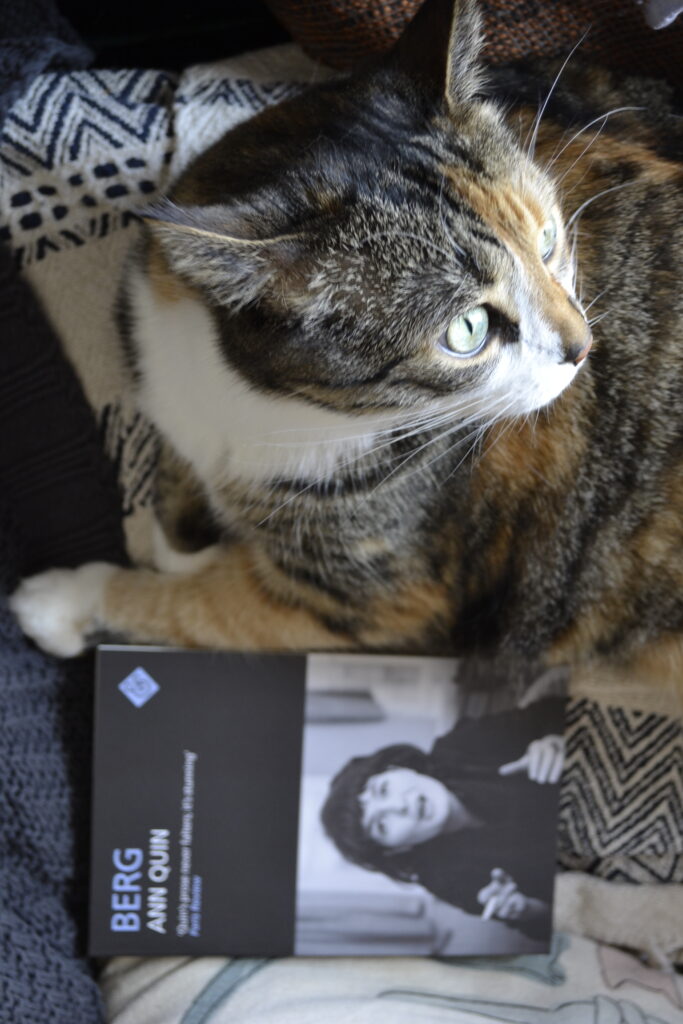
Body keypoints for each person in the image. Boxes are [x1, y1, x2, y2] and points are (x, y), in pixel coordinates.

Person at [320, 697, 565, 940]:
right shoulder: (445, 879)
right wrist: (528, 909)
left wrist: (553, 742)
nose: (400, 806)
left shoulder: (458, 746)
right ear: (396, 850)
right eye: (382, 825)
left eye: (383, 789)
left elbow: (553, 710)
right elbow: (547, 927)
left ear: (396, 768)